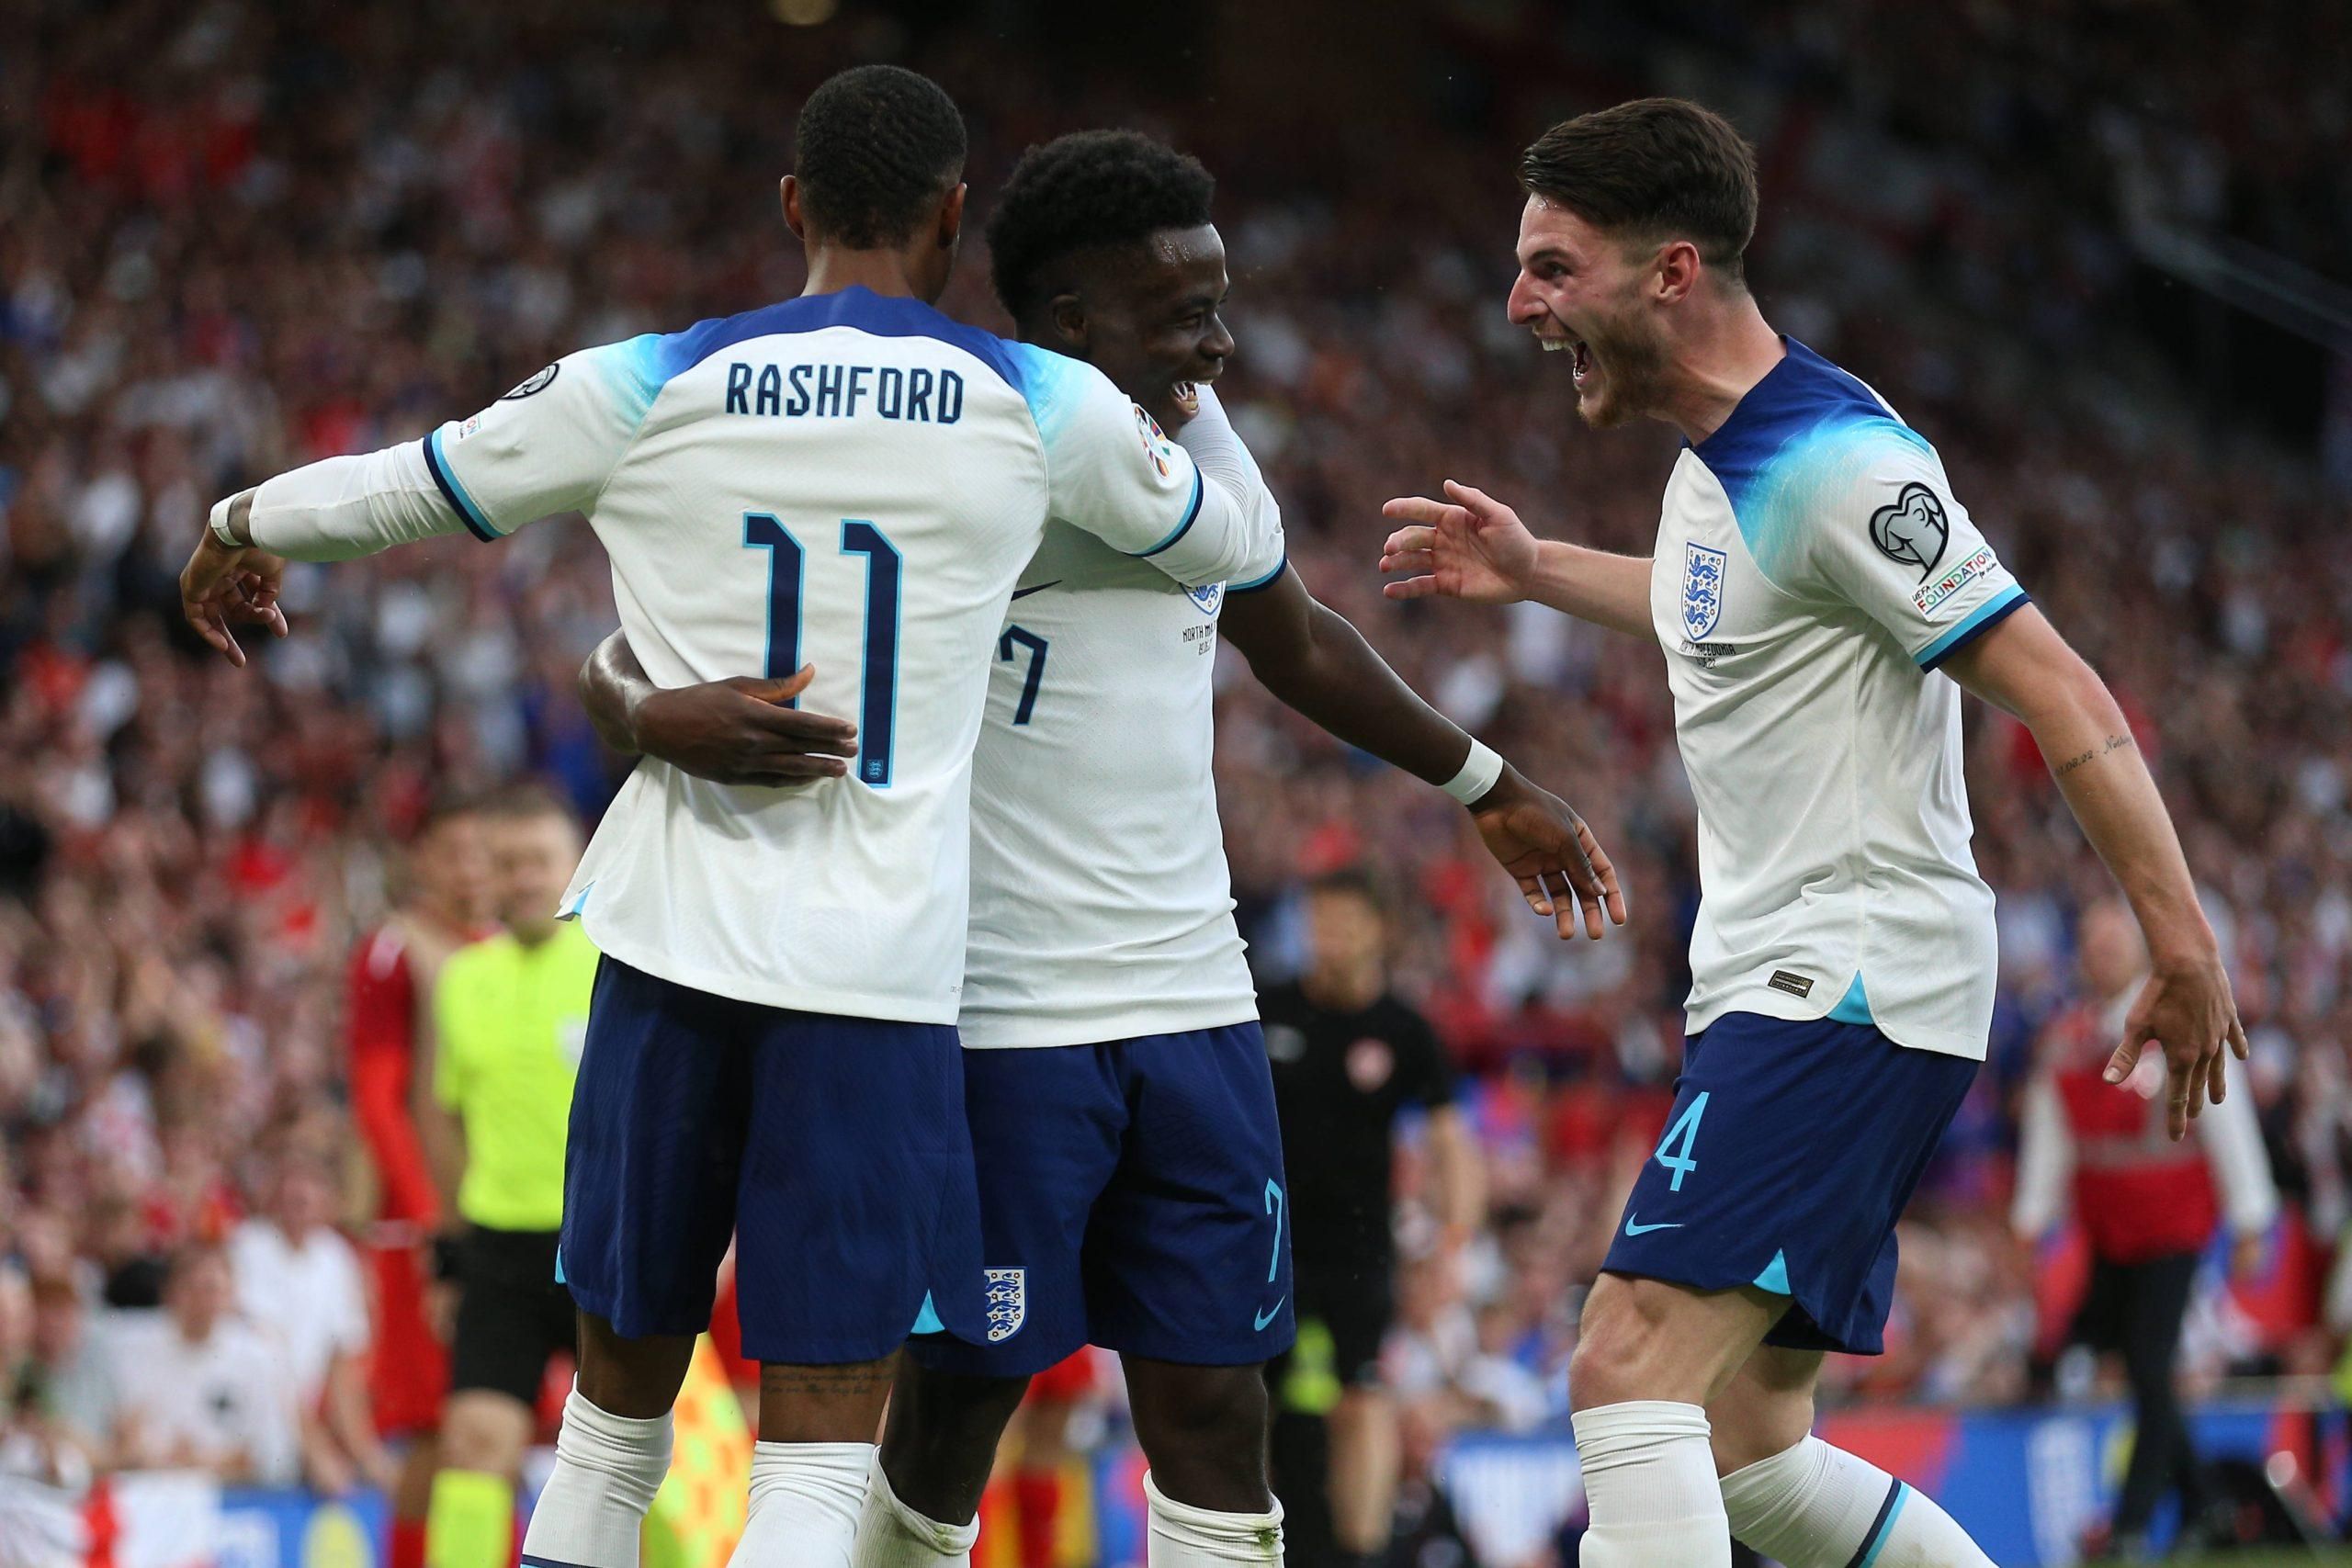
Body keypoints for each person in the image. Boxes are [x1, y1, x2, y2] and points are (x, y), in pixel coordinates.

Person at [180, 65, 1283, 1568]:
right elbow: (1238, 538)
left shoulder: (645, 383)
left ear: (791, 209)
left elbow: (400, 487)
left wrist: (241, 525)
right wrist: (1194, 389)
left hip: (671, 955)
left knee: (611, 1434)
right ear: (957, 217)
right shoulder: (1047, 408)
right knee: (816, 1464)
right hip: (877, 993)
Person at [579, 127, 1620, 1568]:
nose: (1223, 337)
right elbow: (659, 630)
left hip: (1195, 1005)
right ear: (1070, 322)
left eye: (1219, 296)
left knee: (1215, 1407)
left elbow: (1294, 637)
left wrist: (1483, 778)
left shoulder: (1195, 431)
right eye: (1186, 311)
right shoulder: (975, 447)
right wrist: (637, 702)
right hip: (1000, 1018)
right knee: (957, 1407)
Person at [1375, 97, 2245, 1567]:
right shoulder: (1723, 465)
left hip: (1846, 977)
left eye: (1551, 265)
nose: (1520, 301)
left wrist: (2177, 934)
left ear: (1671, 271)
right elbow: (1724, 600)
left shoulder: (1843, 462)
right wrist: (1538, 572)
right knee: (1751, 1457)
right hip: (1793, 981)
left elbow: (2060, 684)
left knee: (1621, 1364)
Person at [2013, 898, 2278, 1560]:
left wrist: (2251, 1218)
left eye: (2112, 942)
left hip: (2175, 1227)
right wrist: (2031, 1218)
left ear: (2137, 948)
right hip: (2109, 1233)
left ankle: (2129, 1526)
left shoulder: (2178, 1022)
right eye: (2092, 943)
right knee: (2130, 1363)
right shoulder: (2069, 1038)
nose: (2101, 954)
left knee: (2149, 1362)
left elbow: (2226, 1112)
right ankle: (2209, 1504)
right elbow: (2050, 1135)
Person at [1261, 869, 1483, 1568]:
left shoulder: (1404, 1029)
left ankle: (1362, 1553)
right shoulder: (1270, 1010)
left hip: (1361, 1250)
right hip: (1270, 1247)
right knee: (1260, 1401)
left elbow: (1452, 1144)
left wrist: (1450, 1245)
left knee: (1363, 1397)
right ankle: (1260, 1544)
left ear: (1379, 930)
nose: (1330, 938)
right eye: (1319, 921)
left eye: (1346, 922)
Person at [413, 785, 597, 1568]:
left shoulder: (618, 963)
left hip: (608, 1244)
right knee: (474, 1443)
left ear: (578, 864)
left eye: (540, 860)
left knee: (652, 1448)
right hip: (501, 1250)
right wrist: (453, 1247)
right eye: (508, 862)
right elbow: (442, 1116)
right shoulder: (461, 978)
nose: (523, 877)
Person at [345, 793, 492, 1568]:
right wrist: (432, 1216)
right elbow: (377, 1097)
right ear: (421, 861)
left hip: (505, 1214)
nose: (470, 868)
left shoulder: (510, 948)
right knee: (437, 1425)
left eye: (482, 851)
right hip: (419, 1219)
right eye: (453, 851)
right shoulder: (396, 948)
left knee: (494, 1420)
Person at [228, 1145, 395, 1497]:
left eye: (312, 1184)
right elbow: (264, 1358)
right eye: (291, 1184)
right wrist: (314, 1447)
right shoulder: (247, 1247)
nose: (299, 1194)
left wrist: (362, 1450)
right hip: (248, 1414)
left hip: (298, 1419)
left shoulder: (336, 1257)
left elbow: (340, 1366)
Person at [108, 1243, 301, 1484]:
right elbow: (121, 1434)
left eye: (211, 1289)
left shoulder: (257, 1357)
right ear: (169, 1293)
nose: (201, 1301)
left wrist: (212, 1462)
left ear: (231, 1294)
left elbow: (273, 1454)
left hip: (232, 1497)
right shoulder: (129, 1347)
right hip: (150, 1490)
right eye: (190, 1288)